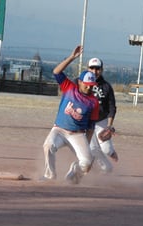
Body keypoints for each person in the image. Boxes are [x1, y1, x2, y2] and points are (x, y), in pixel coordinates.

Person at [41, 45, 99, 184]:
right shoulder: (69, 88)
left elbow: (91, 127)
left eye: (92, 85)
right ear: (79, 81)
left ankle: (73, 173)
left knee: (87, 163)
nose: (89, 87)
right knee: (48, 146)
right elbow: (56, 72)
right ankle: (50, 175)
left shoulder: (93, 102)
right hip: (59, 130)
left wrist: (87, 146)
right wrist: (72, 57)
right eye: (86, 84)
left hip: (77, 134)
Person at [88, 57, 118, 174]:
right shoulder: (81, 82)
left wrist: (109, 126)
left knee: (106, 149)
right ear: (88, 68)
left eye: (98, 68)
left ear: (102, 69)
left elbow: (112, 107)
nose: (95, 71)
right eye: (92, 68)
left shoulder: (106, 87)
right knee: (92, 148)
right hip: (87, 122)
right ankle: (106, 167)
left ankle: (111, 152)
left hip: (101, 121)